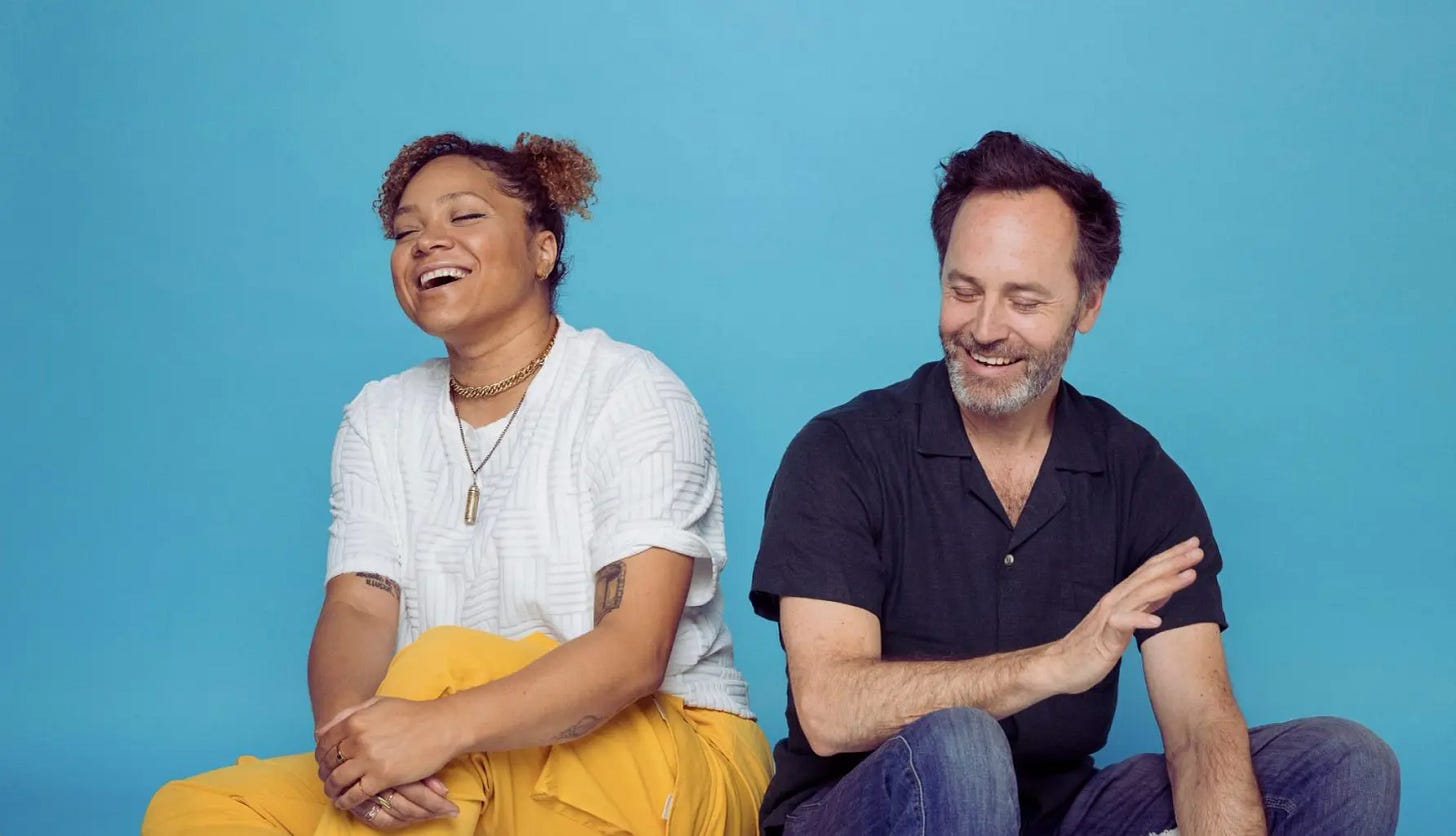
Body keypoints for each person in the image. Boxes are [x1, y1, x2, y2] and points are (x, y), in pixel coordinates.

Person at [748, 131, 1400, 836]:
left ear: (1088, 305)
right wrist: (1051, 666)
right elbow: (830, 710)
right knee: (964, 744)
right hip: (863, 810)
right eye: (964, 291)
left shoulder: (1138, 475)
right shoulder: (842, 452)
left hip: (1061, 817)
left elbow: (1198, 729)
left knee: (1345, 763)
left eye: (1024, 301)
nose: (984, 329)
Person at [144, 132, 771, 835]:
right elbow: (359, 608)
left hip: (666, 755)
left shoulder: (630, 392)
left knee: (443, 664)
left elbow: (632, 654)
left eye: (464, 216)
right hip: (472, 759)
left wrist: (435, 728)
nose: (427, 243)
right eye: (405, 231)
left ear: (543, 251)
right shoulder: (380, 416)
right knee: (200, 809)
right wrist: (357, 754)